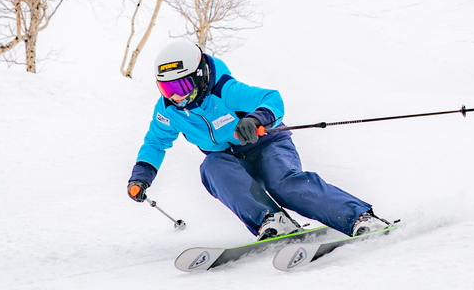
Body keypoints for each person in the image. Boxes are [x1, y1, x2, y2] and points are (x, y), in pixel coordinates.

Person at [127, 40, 389, 240]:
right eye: (167, 89)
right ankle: (272, 220)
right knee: (211, 168)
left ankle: (358, 217)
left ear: (199, 76)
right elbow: (155, 143)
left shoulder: (225, 90)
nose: (175, 97)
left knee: (283, 184)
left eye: (181, 87)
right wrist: (141, 177)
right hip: (228, 159)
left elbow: (272, 99)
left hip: (267, 145)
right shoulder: (168, 111)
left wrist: (255, 120)